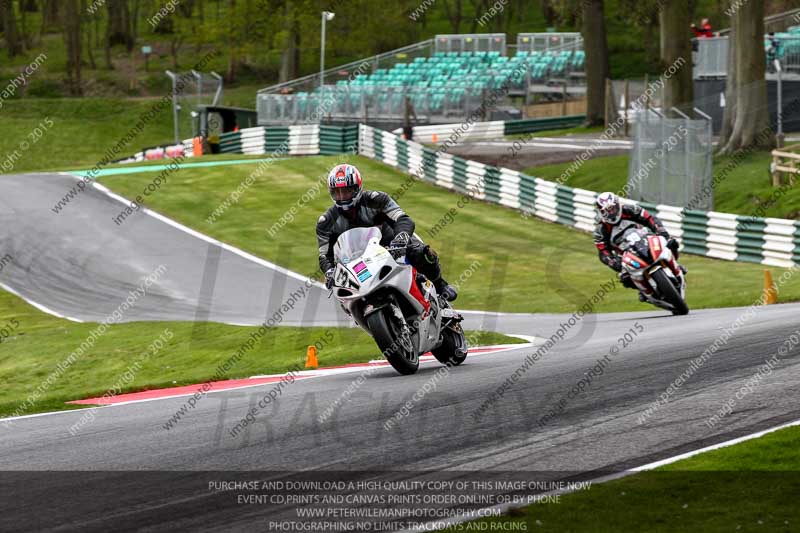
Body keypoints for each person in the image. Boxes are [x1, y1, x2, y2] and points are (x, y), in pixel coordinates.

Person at [316, 164, 457, 301]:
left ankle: (439, 285)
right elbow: (324, 255)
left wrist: (400, 239)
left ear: (357, 188)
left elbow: (403, 219)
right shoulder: (326, 222)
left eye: (346, 191)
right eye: (337, 192)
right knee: (342, 290)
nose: (342, 196)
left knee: (419, 252)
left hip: (392, 247)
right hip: (357, 262)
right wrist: (330, 272)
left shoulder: (377, 199)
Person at [593, 192, 682, 300]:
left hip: (645, 239)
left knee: (672, 243)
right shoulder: (600, 230)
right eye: (607, 210)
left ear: (618, 205)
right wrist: (612, 262)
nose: (612, 212)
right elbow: (603, 251)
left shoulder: (630, 209)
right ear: (601, 212)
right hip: (625, 254)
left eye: (613, 208)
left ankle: (676, 265)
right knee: (625, 278)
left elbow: (649, 218)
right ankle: (643, 291)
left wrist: (660, 231)